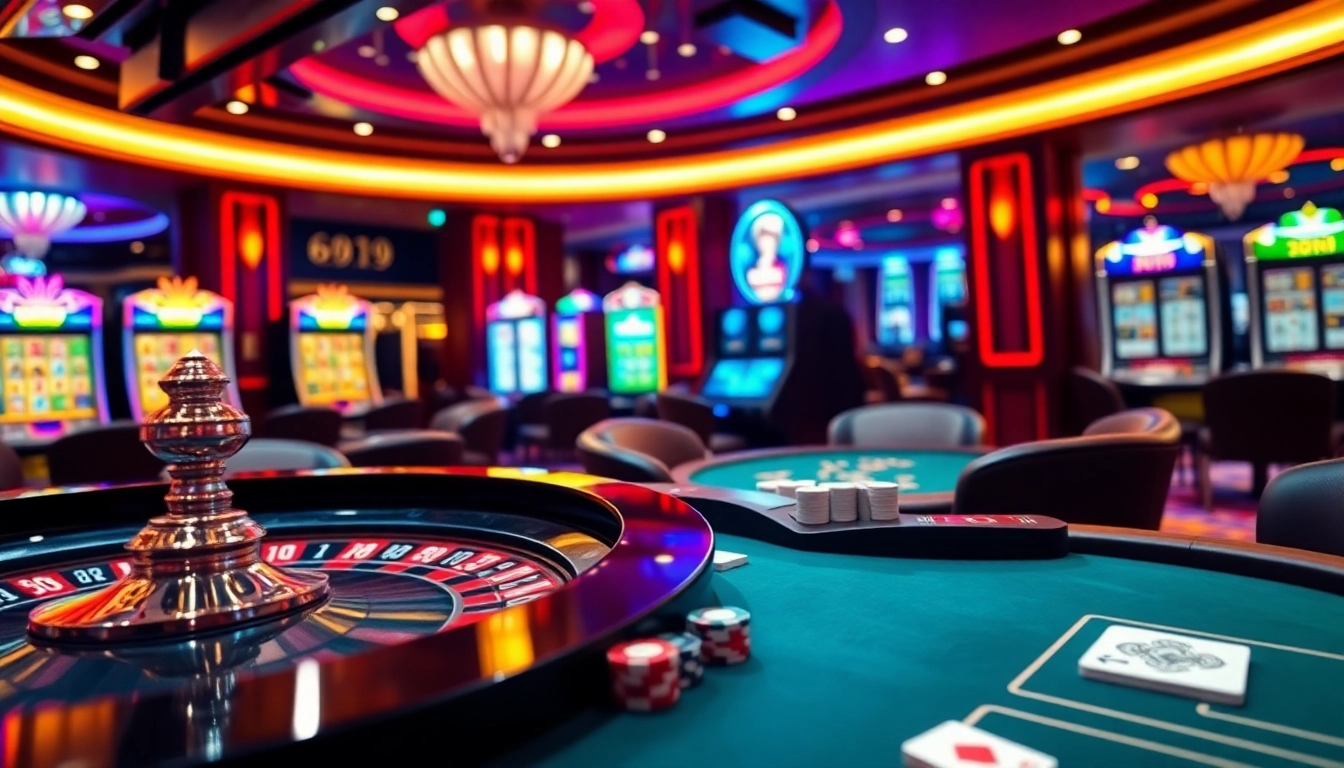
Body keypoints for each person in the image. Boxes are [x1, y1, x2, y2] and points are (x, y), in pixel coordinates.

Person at [745, 212, 788, 303]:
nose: (766, 243)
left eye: (770, 237)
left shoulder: (784, 268)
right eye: (763, 238)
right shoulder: (750, 269)